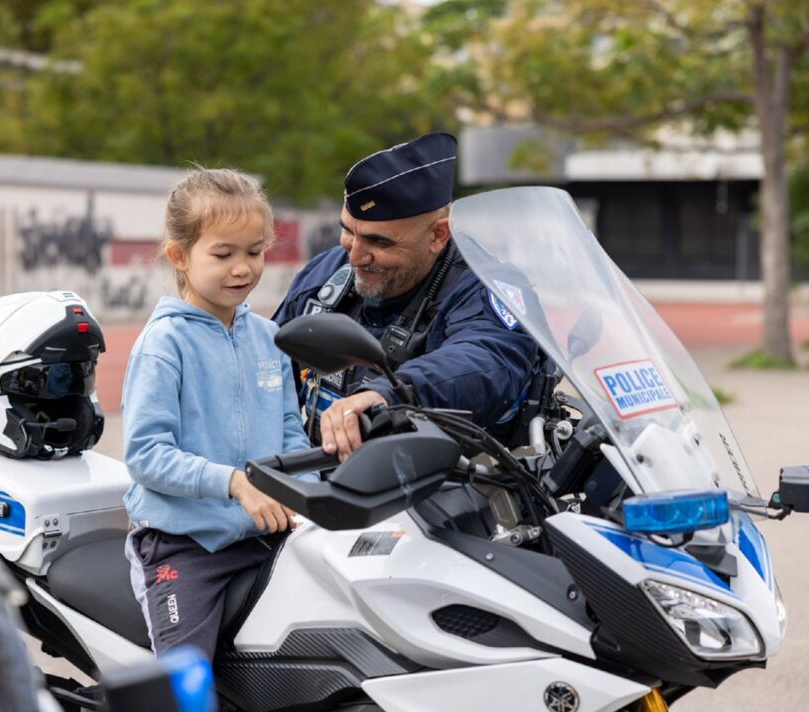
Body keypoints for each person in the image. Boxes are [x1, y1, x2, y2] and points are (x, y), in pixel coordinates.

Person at [121, 168, 312, 661]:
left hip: (267, 534)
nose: (243, 268)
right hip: (184, 548)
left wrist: (303, 490)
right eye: (223, 254)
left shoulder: (269, 337)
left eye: (255, 251)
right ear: (180, 256)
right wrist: (234, 482)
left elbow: (290, 432)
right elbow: (146, 454)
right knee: (189, 687)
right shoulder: (164, 345)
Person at [273, 132, 540, 461]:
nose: (355, 256)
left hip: (445, 495)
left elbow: (486, 359)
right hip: (314, 483)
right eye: (347, 231)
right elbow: (266, 359)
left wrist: (390, 394)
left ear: (438, 235)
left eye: (379, 243)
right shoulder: (326, 273)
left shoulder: (485, 286)